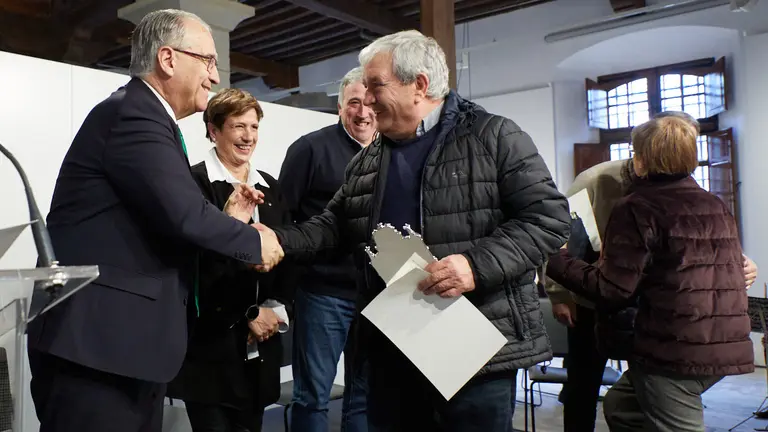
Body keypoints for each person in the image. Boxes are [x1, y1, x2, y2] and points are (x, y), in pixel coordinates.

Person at [263, 30, 571, 431]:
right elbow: (333, 226)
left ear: (419, 85)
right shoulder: (368, 160)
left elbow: (548, 218)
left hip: (474, 355)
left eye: (376, 86)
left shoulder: (495, 137)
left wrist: (475, 266)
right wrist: (275, 239)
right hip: (393, 351)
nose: (368, 99)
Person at [26, 10, 282, 432]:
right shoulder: (134, 115)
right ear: (168, 59)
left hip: (125, 349)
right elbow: (183, 215)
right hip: (98, 349)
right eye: (207, 61)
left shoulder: (149, 119)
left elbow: (164, 220)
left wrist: (222, 220)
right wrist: (256, 242)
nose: (215, 76)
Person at [545, 111, 758, 432]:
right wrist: (559, 293)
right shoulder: (597, 182)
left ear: (642, 156)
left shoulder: (639, 206)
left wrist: (551, 260)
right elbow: (565, 234)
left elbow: (613, 286)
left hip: (661, 327)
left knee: (667, 397)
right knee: (615, 402)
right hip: (629, 313)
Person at [166, 88, 295, 432]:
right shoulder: (191, 184)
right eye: (239, 126)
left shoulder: (270, 185)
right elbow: (190, 267)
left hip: (262, 346)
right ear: (213, 130)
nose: (248, 136)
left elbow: (288, 259)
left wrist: (275, 310)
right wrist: (247, 314)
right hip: (209, 350)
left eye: (254, 127)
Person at [278, 66, 375, 432]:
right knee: (313, 398)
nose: (362, 111)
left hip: (374, 296)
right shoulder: (309, 149)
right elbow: (284, 221)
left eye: (369, 103)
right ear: (339, 107)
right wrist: (283, 294)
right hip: (321, 294)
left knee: (363, 397)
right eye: (353, 103)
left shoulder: (391, 152)